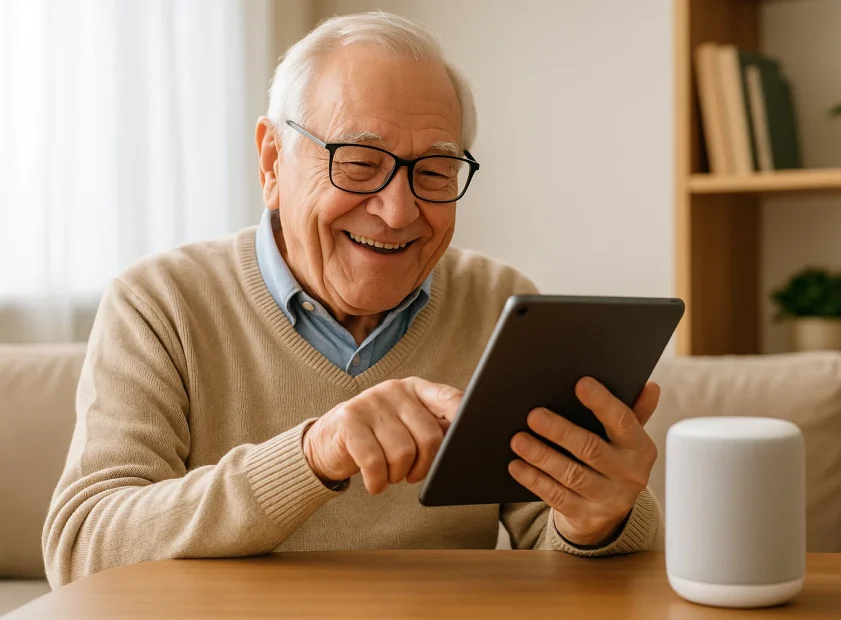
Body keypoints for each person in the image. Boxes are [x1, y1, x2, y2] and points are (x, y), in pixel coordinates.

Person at [42, 11, 663, 588]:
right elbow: (81, 546)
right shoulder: (161, 303)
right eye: (359, 163)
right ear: (271, 162)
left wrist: (597, 520)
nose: (397, 211)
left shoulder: (501, 302)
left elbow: (555, 546)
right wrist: (313, 454)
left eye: (435, 171)